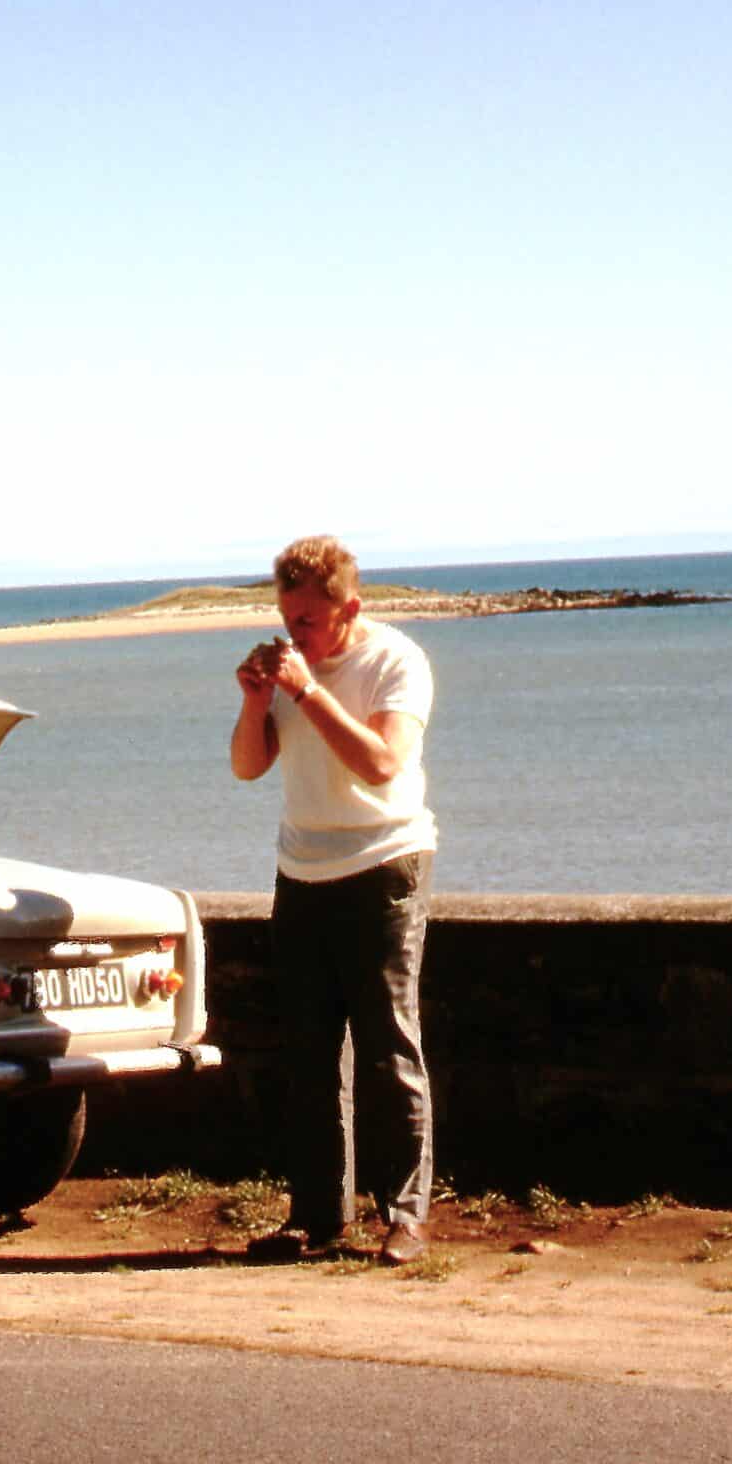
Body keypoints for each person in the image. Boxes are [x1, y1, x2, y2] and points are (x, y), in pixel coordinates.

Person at [230, 534, 438, 1264]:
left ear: (350, 608)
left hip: (383, 864)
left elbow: (381, 763)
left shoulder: (396, 662)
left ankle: (406, 1215)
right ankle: (319, 1216)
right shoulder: (289, 670)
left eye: (309, 622)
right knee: (310, 1057)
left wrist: (306, 691)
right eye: (288, 620)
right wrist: (259, 703)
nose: (297, 635)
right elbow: (247, 768)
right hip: (302, 870)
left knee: (388, 1048)